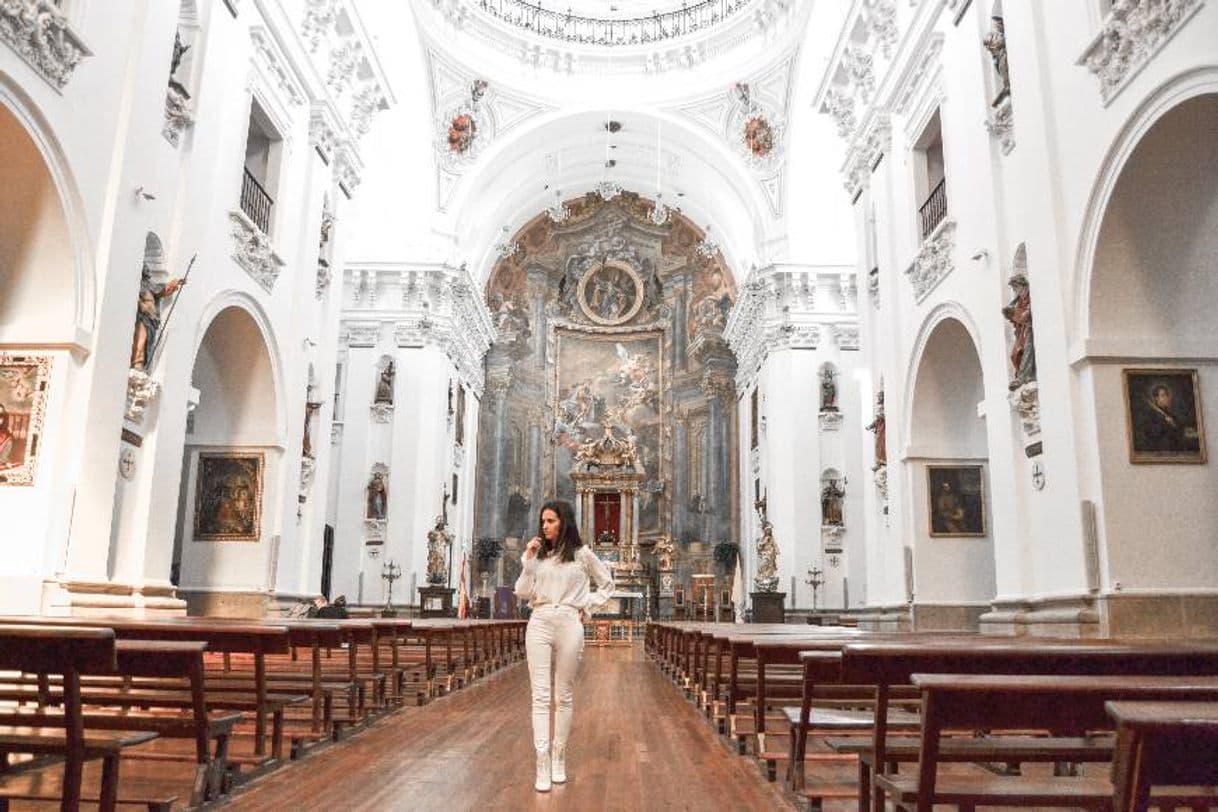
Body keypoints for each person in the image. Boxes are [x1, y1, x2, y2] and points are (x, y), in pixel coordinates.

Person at [514, 499, 614, 792]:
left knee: (564, 696)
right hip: (540, 620)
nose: (544, 526)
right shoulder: (538, 554)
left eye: (550, 521)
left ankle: (559, 756)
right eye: (542, 521)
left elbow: (607, 583)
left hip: (570, 621)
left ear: (564, 522)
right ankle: (541, 762)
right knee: (540, 696)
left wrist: (588, 605)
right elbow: (521, 591)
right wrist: (528, 560)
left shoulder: (582, 555)